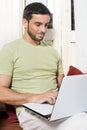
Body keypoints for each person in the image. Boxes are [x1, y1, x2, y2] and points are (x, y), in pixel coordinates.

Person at [0, 2, 87, 130]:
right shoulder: (10, 50)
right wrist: (34, 97)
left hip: (55, 108)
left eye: (46, 25)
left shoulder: (53, 52)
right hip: (29, 110)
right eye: (38, 24)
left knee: (83, 121)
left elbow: (64, 85)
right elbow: (1, 92)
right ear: (25, 22)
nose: (43, 30)